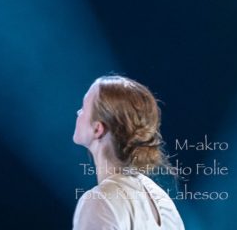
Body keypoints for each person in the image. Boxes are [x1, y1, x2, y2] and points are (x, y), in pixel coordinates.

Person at [73, 75, 185, 229]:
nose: (78, 113)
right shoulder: (161, 198)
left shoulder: (100, 202)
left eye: (83, 108)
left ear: (98, 129)